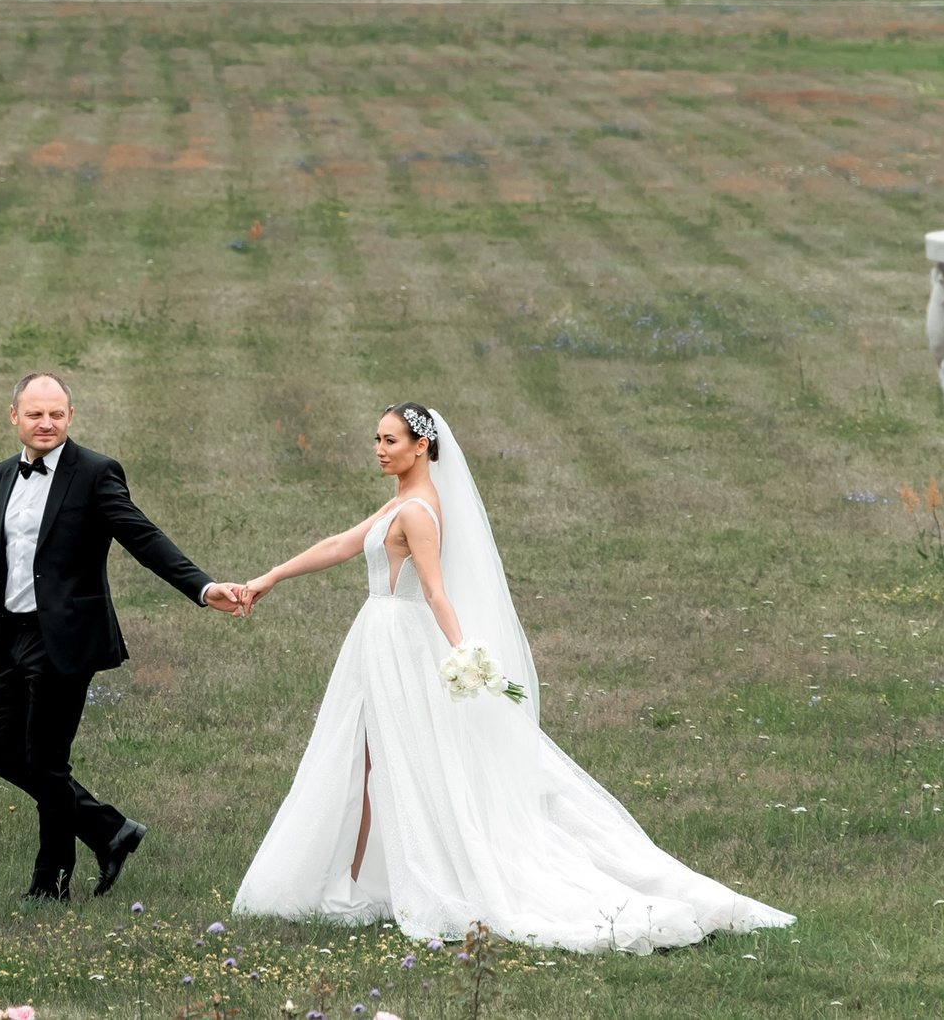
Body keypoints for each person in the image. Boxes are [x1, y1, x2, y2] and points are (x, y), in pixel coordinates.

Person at [227, 404, 792, 952]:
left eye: (390, 440)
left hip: (402, 643)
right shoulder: (400, 503)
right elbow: (340, 544)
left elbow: (435, 593)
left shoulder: (419, 512)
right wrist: (269, 577)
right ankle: (351, 885)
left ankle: (364, 885)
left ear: (422, 446)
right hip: (377, 641)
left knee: (388, 757)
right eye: (376, 440)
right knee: (367, 755)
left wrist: (466, 660)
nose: (378, 450)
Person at [0, 372, 246, 901]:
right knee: (1, 752)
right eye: (36, 413)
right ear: (13, 416)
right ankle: (109, 830)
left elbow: (142, 535)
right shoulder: (4, 475)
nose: (47, 423)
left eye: (57, 414)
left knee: (44, 762)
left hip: (65, 638)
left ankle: (50, 883)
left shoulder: (94, 473)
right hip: (12, 635)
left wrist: (202, 588)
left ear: (70, 417)